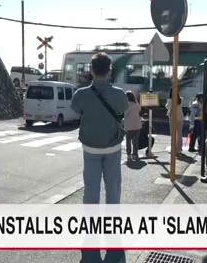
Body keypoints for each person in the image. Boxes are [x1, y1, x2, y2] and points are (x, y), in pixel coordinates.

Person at [70, 52, 128, 263]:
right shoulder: (120, 93)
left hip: (90, 149)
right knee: (113, 191)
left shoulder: (81, 94)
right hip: (112, 148)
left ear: (92, 71)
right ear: (109, 70)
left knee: (91, 192)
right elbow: (124, 109)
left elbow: (76, 110)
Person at [124, 91, 142, 161]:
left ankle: (129, 155)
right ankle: (135, 154)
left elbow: (125, 115)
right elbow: (139, 110)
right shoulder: (136, 104)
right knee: (135, 141)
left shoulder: (126, 105)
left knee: (128, 141)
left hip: (128, 126)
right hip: (137, 125)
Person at [166, 88, 184, 154]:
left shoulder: (170, 100)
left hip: (172, 117)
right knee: (179, 133)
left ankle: (173, 148)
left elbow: (167, 107)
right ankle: (179, 149)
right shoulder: (181, 99)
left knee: (173, 134)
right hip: (180, 117)